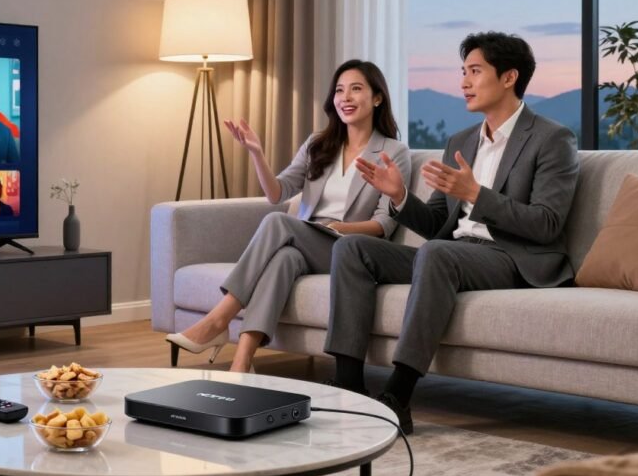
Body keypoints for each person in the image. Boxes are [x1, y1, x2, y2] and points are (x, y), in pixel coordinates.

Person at [325, 32, 580, 435]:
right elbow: (436, 224)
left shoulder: (552, 138)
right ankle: (349, 387)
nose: (463, 82)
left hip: (513, 259)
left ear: (510, 77)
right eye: (463, 72)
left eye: (475, 72)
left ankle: (398, 394)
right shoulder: (461, 142)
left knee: (438, 254)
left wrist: (477, 194)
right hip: (455, 254)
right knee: (354, 248)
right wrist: (398, 195)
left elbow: (546, 223)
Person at [165, 60, 411, 374]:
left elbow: (384, 225)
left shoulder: (393, 152)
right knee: (284, 259)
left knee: (277, 222)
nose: (345, 97)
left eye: (356, 89)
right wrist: (256, 153)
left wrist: (335, 227)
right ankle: (242, 363)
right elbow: (277, 193)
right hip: (306, 240)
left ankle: (219, 318)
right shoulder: (318, 144)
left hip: (348, 247)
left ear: (377, 98)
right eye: (339, 90)